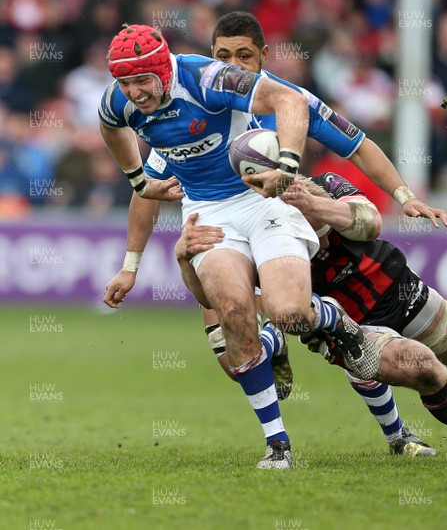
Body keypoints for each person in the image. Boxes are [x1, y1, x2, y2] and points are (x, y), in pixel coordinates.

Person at [98, 23, 375, 469]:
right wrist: (138, 180)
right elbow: (110, 128)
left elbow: (289, 100)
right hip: (208, 214)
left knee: (290, 313)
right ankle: (277, 443)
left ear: (163, 70)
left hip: (259, 198)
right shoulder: (117, 100)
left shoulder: (208, 78)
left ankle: (325, 316)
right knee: (231, 314)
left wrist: (286, 163)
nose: (134, 92)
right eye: (125, 82)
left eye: (141, 81)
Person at [177, 172, 447, 467]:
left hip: (395, 287)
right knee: (425, 370)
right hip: (353, 327)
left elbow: (370, 220)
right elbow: (220, 305)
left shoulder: (325, 183)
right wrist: (185, 259)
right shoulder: (246, 237)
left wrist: (311, 206)